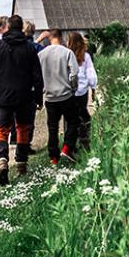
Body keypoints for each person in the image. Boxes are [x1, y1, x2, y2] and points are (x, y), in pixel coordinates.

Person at [0, 15, 42, 185]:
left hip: (2, 96)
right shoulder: (29, 48)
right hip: (25, 96)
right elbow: (37, 76)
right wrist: (38, 98)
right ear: (22, 28)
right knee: (22, 128)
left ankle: (2, 160)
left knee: (1, 129)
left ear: (8, 27)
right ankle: (21, 162)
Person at [39, 29, 80, 164]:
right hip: (65, 95)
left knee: (52, 127)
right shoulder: (67, 53)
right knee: (73, 121)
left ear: (50, 38)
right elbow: (74, 73)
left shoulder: (41, 54)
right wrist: (73, 86)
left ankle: (54, 157)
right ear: (61, 38)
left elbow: (37, 76)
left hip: (50, 97)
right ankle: (67, 147)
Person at [67, 32, 98, 151]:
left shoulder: (66, 55)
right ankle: (84, 140)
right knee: (83, 114)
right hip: (82, 91)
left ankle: (70, 144)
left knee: (70, 117)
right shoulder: (85, 56)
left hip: (69, 91)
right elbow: (91, 74)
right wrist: (93, 88)